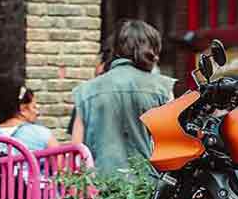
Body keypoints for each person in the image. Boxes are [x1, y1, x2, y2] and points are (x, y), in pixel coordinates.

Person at [71, 19, 175, 173]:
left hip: (99, 184)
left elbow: (76, 152)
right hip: (148, 184)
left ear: (116, 49)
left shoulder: (85, 91)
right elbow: (172, 147)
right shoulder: (162, 88)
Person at [0, 79, 56, 154]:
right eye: (34, 107)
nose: (37, 113)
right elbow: (58, 160)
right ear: (23, 110)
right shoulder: (43, 134)